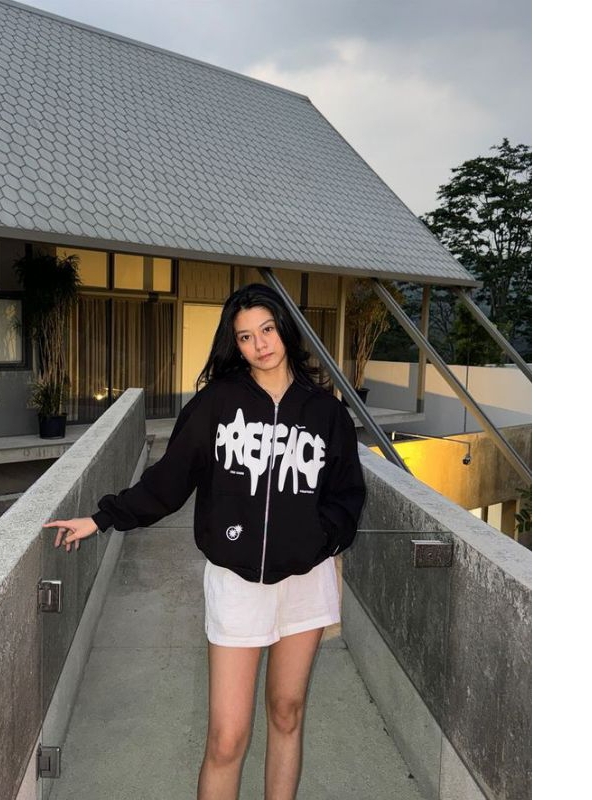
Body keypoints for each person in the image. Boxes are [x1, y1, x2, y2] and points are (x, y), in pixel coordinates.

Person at [44, 283, 366, 800]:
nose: (260, 344)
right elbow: (170, 479)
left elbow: (347, 493)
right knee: (226, 738)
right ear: (234, 344)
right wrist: (103, 518)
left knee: (287, 713)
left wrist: (321, 539)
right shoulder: (217, 403)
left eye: (267, 329)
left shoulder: (324, 412)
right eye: (246, 336)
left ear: (284, 330)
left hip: (307, 580)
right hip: (236, 583)